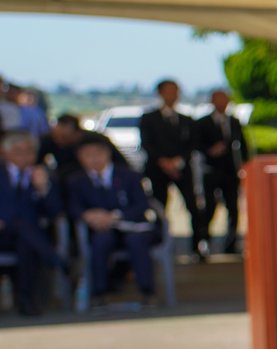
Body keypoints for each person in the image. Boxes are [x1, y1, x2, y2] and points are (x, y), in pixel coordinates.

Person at [67, 133, 159, 310]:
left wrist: (117, 216)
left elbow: (142, 204)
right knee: (101, 242)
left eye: (97, 154)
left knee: (136, 242)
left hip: (132, 226)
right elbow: (73, 207)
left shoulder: (129, 176)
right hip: (100, 229)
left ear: (107, 154)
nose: (93, 160)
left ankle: (148, 291)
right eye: (87, 155)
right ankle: (99, 292)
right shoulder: (76, 181)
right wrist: (89, 216)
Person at [1, 131, 65, 316]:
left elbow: (55, 212)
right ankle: (55, 259)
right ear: (6, 153)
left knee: (26, 243)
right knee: (23, 230)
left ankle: (26, 301)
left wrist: (43, 188)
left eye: (29, 151)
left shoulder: (44, 176)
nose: (25, 156)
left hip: (29, 236)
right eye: (18, 151)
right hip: (3, 234)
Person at [139, 79, 200, 258]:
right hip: (157, 170)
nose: (173, 94)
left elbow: (192, 145)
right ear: (160, 93)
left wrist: (178, 161)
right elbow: (146, 144)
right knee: (159, 207)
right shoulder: (149, 118)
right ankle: (160, 245)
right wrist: (163, 162)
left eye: (176, 91)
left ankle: (197, 245)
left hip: (182, 168)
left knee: (192, 205)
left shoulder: (186, 120)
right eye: (169, 90)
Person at [193, 90, 251, 256]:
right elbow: (196, 145)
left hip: (229, 171)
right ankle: (203, 241)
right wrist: (210, 151)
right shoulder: (202, 123)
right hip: (210, 171)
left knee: (233, 208)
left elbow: (243, 145)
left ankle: (230, 244)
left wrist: (245, 166)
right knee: (209, 207)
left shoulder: (234, 121)